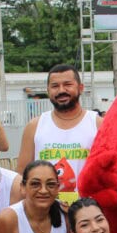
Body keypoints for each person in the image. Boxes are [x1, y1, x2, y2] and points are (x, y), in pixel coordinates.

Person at [15, 65, 102, 206]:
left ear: (80, 88)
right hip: (45, 211)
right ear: (48, 90)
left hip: (86, 211)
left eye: (67, 84)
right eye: (55, 86)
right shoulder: (34, 126)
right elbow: (21, 175)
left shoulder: (97, 124)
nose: (61, 90)